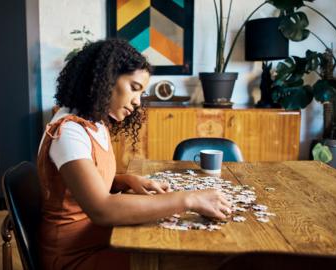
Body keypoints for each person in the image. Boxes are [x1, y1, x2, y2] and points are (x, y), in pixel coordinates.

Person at [37, 39, 232, 270]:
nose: (138, 102)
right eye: (134, 87)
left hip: (97, 238)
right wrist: (189, 199)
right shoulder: (69, 131)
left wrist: (124, 179)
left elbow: (78, 184)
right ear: (105, 79)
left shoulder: (95, 123)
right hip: (74, 256)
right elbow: (101, 209)